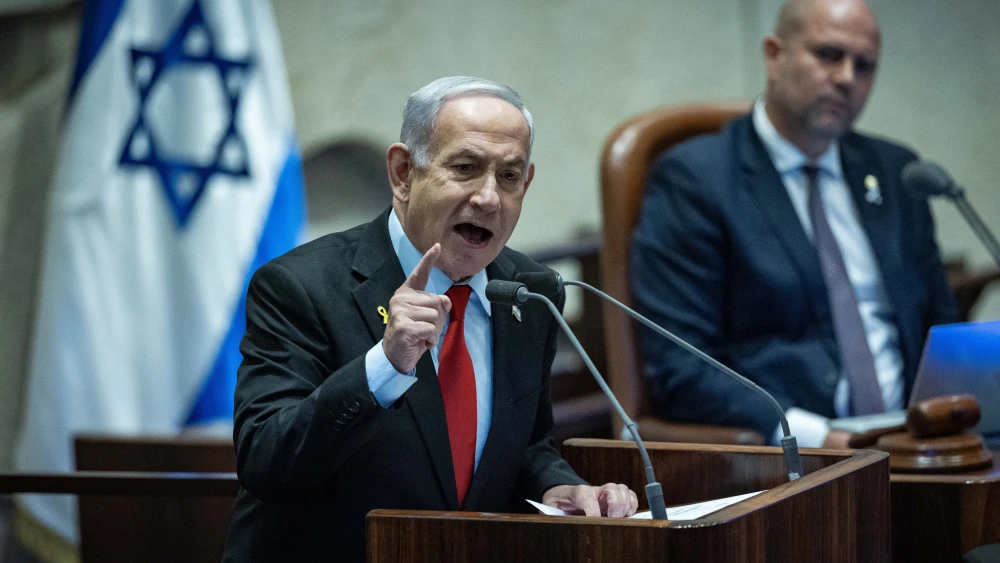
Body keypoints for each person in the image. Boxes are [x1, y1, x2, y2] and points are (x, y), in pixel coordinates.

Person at [223, 76, 638, 562]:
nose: (489, 197)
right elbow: (266, 460)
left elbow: (525, 446)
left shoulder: (531, 291)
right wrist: (385, 365)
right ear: (403, 173)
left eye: (509, 176)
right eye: (465, 168)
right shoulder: (300, 286)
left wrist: (559, 487)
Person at [631, 0, 957, 449]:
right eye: (829, 55)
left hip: (917, 445)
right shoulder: (697, 180)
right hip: (797, 457)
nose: (847, 78)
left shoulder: (896, 172)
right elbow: (682, 365)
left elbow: (941, 325)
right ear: (774, 55)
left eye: (864, 66)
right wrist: (815, 438)